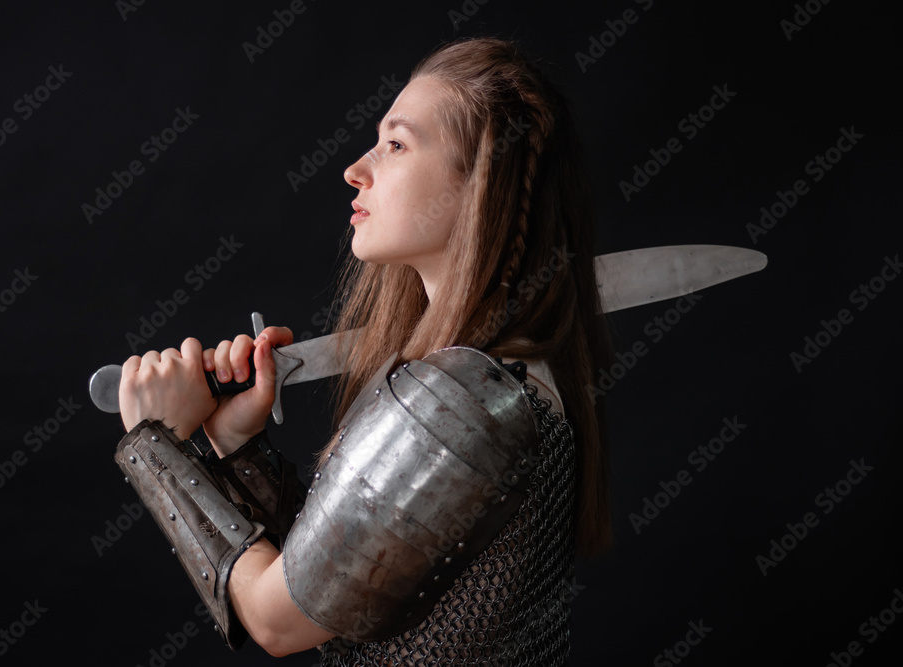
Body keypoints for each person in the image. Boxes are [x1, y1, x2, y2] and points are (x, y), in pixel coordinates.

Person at [115, 37, 614, 665]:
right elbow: (352, 581)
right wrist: (236, 449)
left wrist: (155, 446)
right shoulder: (485, 382)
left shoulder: (462, 402)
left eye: (397, 144)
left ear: (479, 184)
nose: (357, 168)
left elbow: (279, 622)